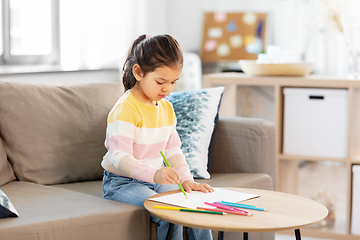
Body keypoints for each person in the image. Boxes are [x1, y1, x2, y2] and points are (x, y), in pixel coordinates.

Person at [101, 34, 214, 240]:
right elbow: (120, 157)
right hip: (122, 183)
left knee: (193, 204)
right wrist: (154, 174)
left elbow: (173, 150)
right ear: (138, 72)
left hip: (154, 179)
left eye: (173, 82)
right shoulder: (125, 109)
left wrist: (187, 180)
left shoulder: (166, 108)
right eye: (161, 81)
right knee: (169, 209)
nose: (167, 89)